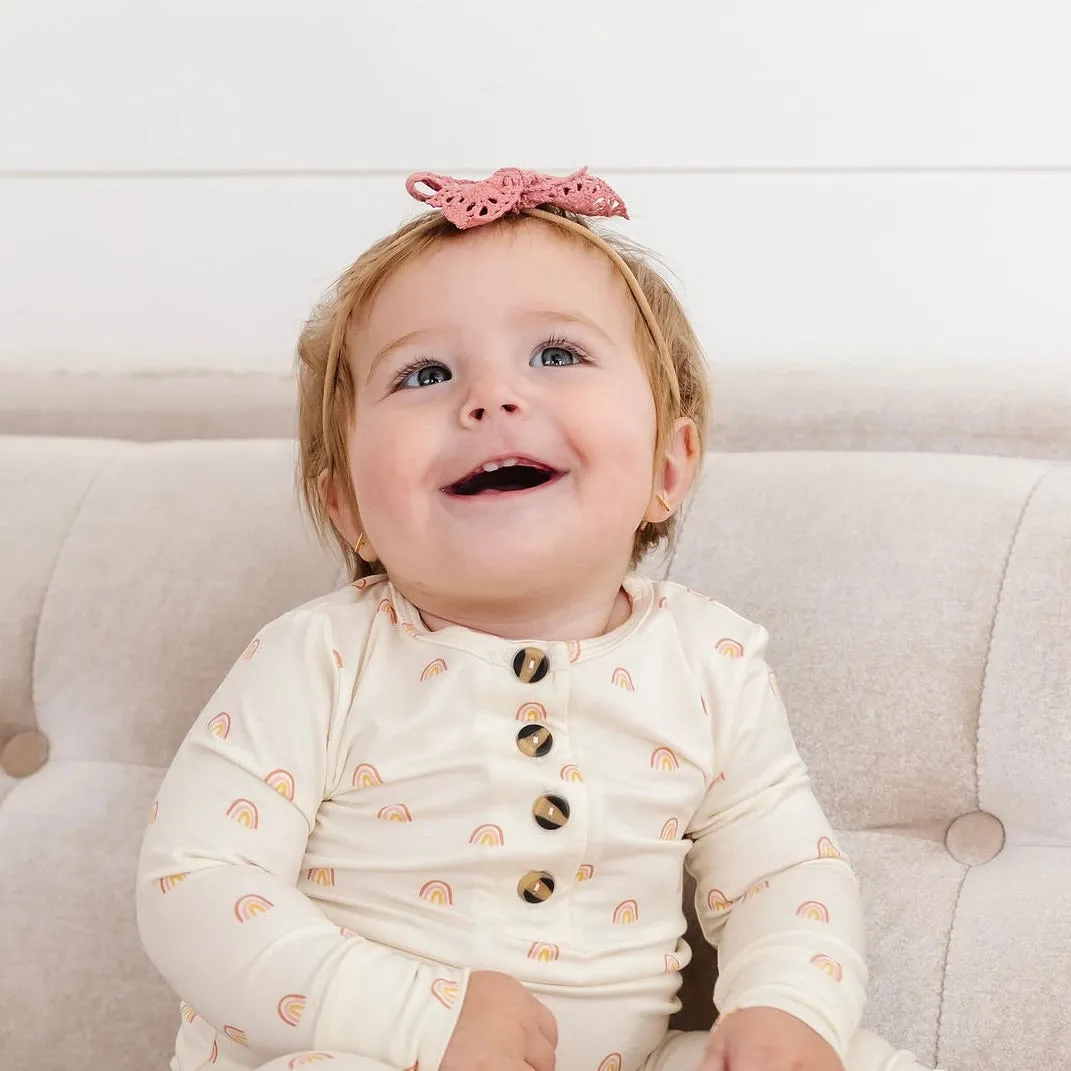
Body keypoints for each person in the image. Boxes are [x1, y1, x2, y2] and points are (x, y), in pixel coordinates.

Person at [136, 167, 940, 1071]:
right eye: (425, 372)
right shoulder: (318, 658)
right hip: (375, 1051)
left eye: (556, 354)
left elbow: (784, 873)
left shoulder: (711, 661)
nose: (490, 397)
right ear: (349, 507)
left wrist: (787, 1008)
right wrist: (415, 1020)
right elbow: (194, 885)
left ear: (667, 468)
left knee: (863, 1060)